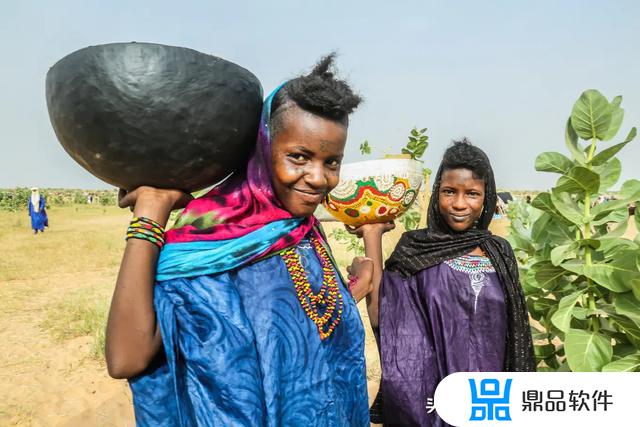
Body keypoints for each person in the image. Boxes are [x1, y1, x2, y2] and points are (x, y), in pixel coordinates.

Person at [105, 54, 373, 426]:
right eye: (299, 157)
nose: (317, 178)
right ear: (264, 149)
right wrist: (149, 216)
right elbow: (126, 358)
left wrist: (356, 285)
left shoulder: (304, 229)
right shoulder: (208, 241)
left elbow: (307, 313)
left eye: (331, 162)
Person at [356, 139, 536, 426]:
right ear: (437, 192)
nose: (459, 203)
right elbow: (382, 317)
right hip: (432, 403)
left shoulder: (499, 251)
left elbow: (515, 336)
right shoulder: (415, 249)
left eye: (472, 194)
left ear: (486, 197)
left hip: (489, 403)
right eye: (449, 192)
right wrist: (373, 236)